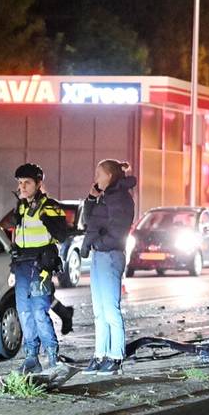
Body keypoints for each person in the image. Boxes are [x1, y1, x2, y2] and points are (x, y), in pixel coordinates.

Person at [9, 163, 69, 374]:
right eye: (19, 183)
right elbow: (15, 236)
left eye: (27, 183)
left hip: (40, 265)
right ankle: (31, 357)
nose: (22, 187)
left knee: (38, 311)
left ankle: (52, 355)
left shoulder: (49, 206)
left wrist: (48, 221)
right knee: (24, 312)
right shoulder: (21, 207)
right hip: (22, 266)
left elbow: (62, 235)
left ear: (38, 184)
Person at [80, 159, 137, 374]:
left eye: (99, 174)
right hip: (99, 255)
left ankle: (115, 356)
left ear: (110, 176)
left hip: (110, 255)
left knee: (110, 309)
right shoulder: (105, 197)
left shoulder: (120, 199)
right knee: (99, 310)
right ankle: (100, 354)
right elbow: (89, 222)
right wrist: (91, 200)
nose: (96, 178)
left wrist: (100, 244)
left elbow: (117, 229)